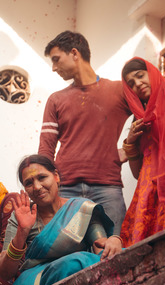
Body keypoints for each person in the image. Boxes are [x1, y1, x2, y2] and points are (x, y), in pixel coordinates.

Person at [38, 31, 131, 235]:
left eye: (56, 60)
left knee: (116, 252)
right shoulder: (56, 99)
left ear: (74, 53)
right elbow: (46, 149)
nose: (54, 68)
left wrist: (129, 149)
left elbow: (150, 118)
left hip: (108, 187)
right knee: (70, 257)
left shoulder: (119, 91)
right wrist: (43, 187)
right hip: (65, 189)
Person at [0, 155, 123, 285]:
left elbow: (101, 248)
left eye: (42, 177)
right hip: (36, 279)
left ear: (56, 176)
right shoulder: (19, 217)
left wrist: (114, 240)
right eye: (29, 183)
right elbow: (5, 273)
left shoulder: (82, 208)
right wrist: (21, 233)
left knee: (75, 263)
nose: (37, 187)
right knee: (66, 266)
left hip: (77, 267)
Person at [120, 57, 165, 246]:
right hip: (149, 192)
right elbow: (137, 173)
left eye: (140, 76)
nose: (138, 84)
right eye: (131, 84)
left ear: (152, 72)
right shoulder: (139, 120)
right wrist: (131, 143)